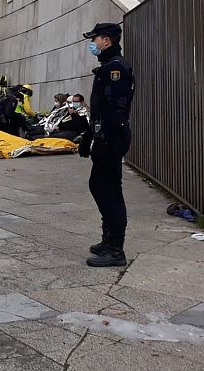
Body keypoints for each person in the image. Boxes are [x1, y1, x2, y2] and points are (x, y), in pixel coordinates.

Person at [78, 22, 134, 267]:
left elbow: (116, 109)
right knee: (99, 186)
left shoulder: (116, 68)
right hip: (105, 135)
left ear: (107, 40)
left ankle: (115, 249)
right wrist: (89, 136)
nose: (93, 43)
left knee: (109, 190)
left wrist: (104, 137)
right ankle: (108, 239)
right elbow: (100, 110)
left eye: (95, 39)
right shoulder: (107, 66)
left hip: (113, 136)